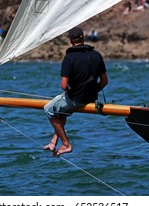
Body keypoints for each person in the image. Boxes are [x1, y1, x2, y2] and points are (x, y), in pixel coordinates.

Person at [43, 27, 108, 156]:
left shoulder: (69, 57)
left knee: (49, 109)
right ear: (83, 38)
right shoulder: (97, 55)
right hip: (91, 98)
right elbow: (104, 81)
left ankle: (66, 144)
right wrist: (93, 90)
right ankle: (53, 141)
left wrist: (72, 93)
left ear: (70, 41)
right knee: (61, 109)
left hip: (76, 99)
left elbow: (64, 85)